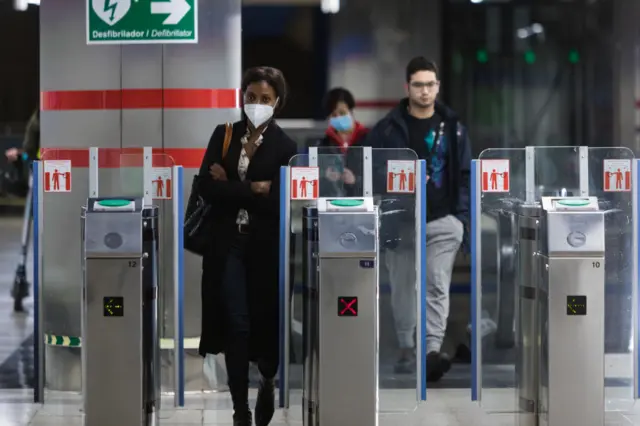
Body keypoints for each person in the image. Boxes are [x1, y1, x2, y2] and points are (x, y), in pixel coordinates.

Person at [197, 66, 298, 426]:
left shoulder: (286, 147)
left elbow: (279, 202)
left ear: (278, 103)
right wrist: (254, 188)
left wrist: (232, 186)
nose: (256, 104)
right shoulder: (224, 135)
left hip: (266, 249)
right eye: (251, 97)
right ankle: (240, 406)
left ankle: (267, 380)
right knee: (235, 325)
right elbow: (205, 187)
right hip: (227, 246)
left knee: (264, 324)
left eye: (265, 99)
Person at [367, 56, 471, 381]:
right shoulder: (387, 129)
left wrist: (463, 221)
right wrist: (398, 180)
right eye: (418, 85)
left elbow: (466, 176)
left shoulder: (452, 129)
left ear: (437, 87)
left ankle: (430, 353)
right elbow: (368, 171)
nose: (425, 91)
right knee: (402, 287)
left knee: (436, 284)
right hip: (400, 220)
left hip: (442, 220)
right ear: (407, 87)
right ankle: (405, 346)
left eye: (430, 85)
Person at [315, 87, 369, 196]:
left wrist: (356, 181)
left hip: (362, 204)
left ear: (352, 111)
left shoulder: (369, 139)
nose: (338, 118)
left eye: (342, 113)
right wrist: (325, 177)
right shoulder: (323, 145)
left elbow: (378, 177)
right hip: (332, 204)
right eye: (334, 115)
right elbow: (313, 179)